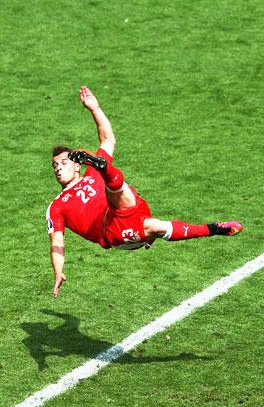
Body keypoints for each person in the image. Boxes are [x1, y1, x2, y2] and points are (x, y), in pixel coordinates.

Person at [46, 86, 242, 298]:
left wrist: (95, 108)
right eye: (54, 166)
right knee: (156, 226)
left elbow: (108, 139)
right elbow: (57, 242)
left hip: (132, 207)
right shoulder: (56, 206)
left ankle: (106, 169)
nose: (58, 168)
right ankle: (215, 228)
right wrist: (58, 271)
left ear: (77, 166)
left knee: (116, 189)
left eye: (63, 162)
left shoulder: (89, 173)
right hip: (111, 230)